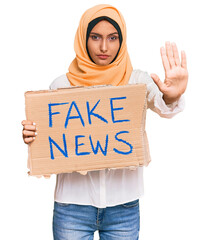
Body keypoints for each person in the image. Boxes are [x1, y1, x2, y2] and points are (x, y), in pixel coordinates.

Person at [21, 4, 188, 240]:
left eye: (112, 38)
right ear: (83, 38)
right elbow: (51, 139)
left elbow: (164, 106)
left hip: (124, 207)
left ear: (122, 40)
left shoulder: (136, 81)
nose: (103, 47)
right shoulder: (60, 87)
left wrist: (174, 93)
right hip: (71, 207)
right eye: (95, 37)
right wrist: (33, 136)